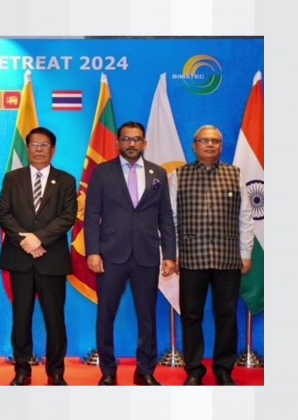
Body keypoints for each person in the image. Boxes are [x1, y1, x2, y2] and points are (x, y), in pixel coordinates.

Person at [84, 121, 176, 386]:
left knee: (147, 316)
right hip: (110, 254)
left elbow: (165, 217)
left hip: (147, 255)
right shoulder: (103, 172)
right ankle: (108, 371)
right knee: (106, 315)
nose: (132, 144)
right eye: (126, 139)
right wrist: (93, 252)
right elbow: (92, 215)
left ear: (144, 143)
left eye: (137, 139)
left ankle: (145, 370)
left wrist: (170, 254)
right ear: (118, 142)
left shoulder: (158, 173)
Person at [170, 125, 254, 386]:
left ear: (221, 146)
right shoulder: (179, 176)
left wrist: (246, 253)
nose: (209, 144)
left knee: (227, 316)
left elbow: (245, 217)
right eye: (204, 140)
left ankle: (224, 370)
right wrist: (173, 254)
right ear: (194, 146)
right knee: (191, 315)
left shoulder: (235, 174)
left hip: (228, 258)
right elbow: (171, 218)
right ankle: (194, 370)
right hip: (191, 258)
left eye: (215, 141)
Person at [0, 127, 76, 386]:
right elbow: (4, 214)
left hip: (51, 260)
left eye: (44, 145)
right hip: (20, 259)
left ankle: (56, 372)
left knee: (55, 320)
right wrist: (26, 241)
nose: (39, 149)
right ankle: (22, 370)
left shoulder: (66, 180)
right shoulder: (13, 178)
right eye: (34, 144)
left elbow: (67, 216)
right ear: (27, 147)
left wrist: (38, 238)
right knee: (21, 318)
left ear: (53, 150)